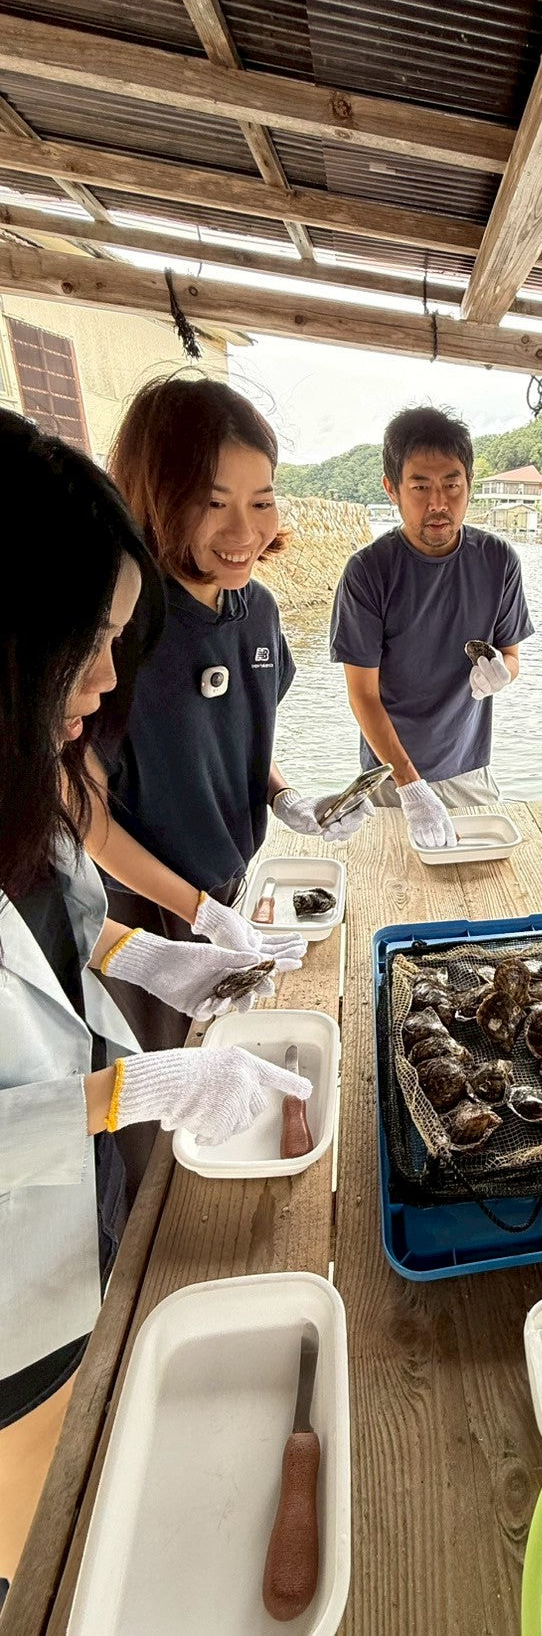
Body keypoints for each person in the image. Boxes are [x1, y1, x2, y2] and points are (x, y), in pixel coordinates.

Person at [0, 412, 311, 1587]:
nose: (101, 682)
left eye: (117, 642)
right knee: (35, 1548)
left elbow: (69, 918)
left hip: (62, 1226)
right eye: (85, 642)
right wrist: (137, 1081)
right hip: (5, 1297)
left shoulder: (19, 781)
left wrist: (156, 955)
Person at [86, 377, 372, 1070]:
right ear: (155, 497)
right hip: (134, 914)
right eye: (213, 504)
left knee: (227, 1058)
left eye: (262, 501)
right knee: (150, 1090)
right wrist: (195, 914)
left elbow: (238, 737)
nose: (245, 532)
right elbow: (79, 813)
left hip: (232, 886)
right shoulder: (116, 628)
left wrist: (285, 798)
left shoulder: (260, 612)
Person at [329, 405, 534, 850]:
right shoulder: (368, 571)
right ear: (392, 489)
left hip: (470, 771)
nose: (438, 503)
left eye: (452, 485)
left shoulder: (498, 560)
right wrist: (409, 784)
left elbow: (511, 655)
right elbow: (362, 694)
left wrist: (502, 672)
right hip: (387, 776)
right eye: (420, 486)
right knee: (388, 887)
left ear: (469, 484)